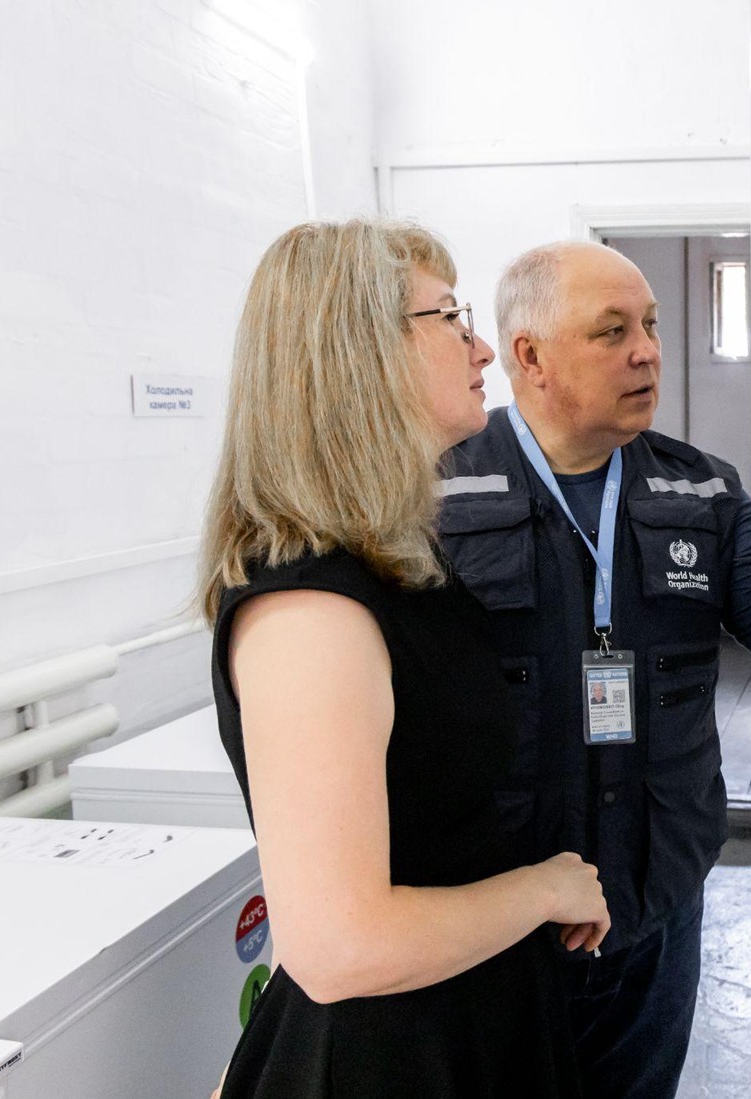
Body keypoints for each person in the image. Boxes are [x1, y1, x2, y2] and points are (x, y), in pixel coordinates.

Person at [438, 240, 751, 1098]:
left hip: (656, 917)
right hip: (495, 931)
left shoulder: (700, 491)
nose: (647, 350)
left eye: (649, 325)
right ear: (528, 355)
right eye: (613, 331)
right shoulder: (438, 493)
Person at [198, 220, 607, 1098]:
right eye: (452, 318)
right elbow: (340, 947)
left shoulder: (396, 568)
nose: (483, 346)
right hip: (390, 1058)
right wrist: (543, 889)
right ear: (360, 354)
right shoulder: (309, 609)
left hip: (465, 1023)